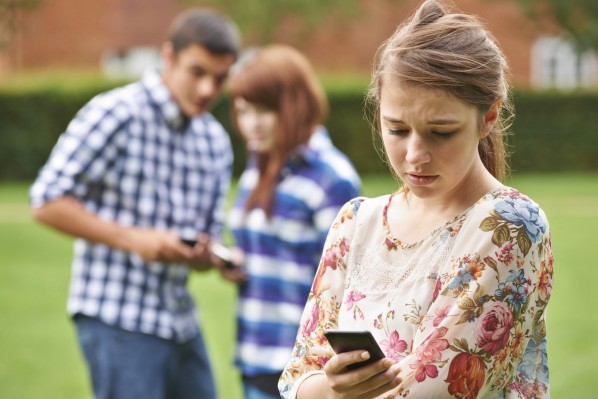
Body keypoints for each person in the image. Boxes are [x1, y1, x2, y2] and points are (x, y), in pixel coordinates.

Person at [278, 1, 554, 398]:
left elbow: (437, 391)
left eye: (441, 132)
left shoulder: (509, 225)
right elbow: (294, 379)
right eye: (397, 129)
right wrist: (334, 391)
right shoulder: (355, 222)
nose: (414, 154)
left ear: (489, 116)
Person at [28, 9, 240, 399]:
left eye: (220, 78)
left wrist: (207, 256)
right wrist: (133, 239)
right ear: (168, 57)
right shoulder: (116, 114)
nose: (209, 89)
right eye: (198, 72)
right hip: (117, 316)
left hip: (180, 321)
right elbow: (45, 200)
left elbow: (205, 237)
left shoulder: (214, 141)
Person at [220, 44, 362, 399]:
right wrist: (236, 261)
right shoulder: (261, 164)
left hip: (305, 367)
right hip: (255, 352)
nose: (250, 123)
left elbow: (348, 279)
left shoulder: (331, 177)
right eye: (242, 111)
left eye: (263, 111)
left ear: (294, 105)